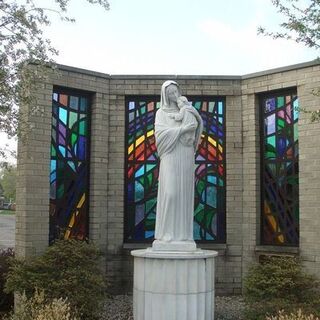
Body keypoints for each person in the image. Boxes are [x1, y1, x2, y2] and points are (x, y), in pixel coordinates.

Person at [154, 80, 203, 244]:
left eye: (176, 92)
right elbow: (160, 137)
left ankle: (183, 236)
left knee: (184, 193)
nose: (174, 95)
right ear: (165, 96)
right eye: (170, 93)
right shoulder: (161, 113)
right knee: (171, 192)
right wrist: (182, 129)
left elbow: (197, 127)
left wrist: (195, 117)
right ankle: (165, 234)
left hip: (185, 153)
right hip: (170, 154)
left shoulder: (187, 108)